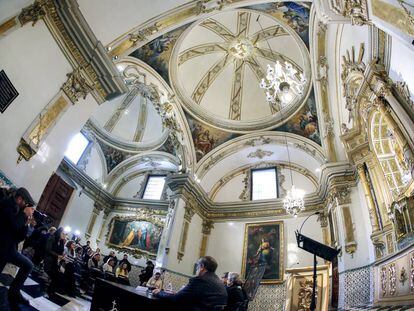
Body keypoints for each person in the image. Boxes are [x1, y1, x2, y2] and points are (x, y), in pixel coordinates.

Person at [0, 187, 35, 307]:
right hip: (1, 247)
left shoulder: (17, 210)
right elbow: (13, 226)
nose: (26, 206)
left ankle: (14, 291)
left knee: (28, 265)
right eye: (26, 203)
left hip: (9, 248)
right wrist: (24, 215)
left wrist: (26, 223)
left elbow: (19, 237)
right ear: (19, 198)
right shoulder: (6, 205)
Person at [153, 256, 227, 311]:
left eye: (197, 266)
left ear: (202, 267)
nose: (196, 269)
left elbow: (177, 298)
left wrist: (159, 292)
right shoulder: (220, 283)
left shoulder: (200, 280)